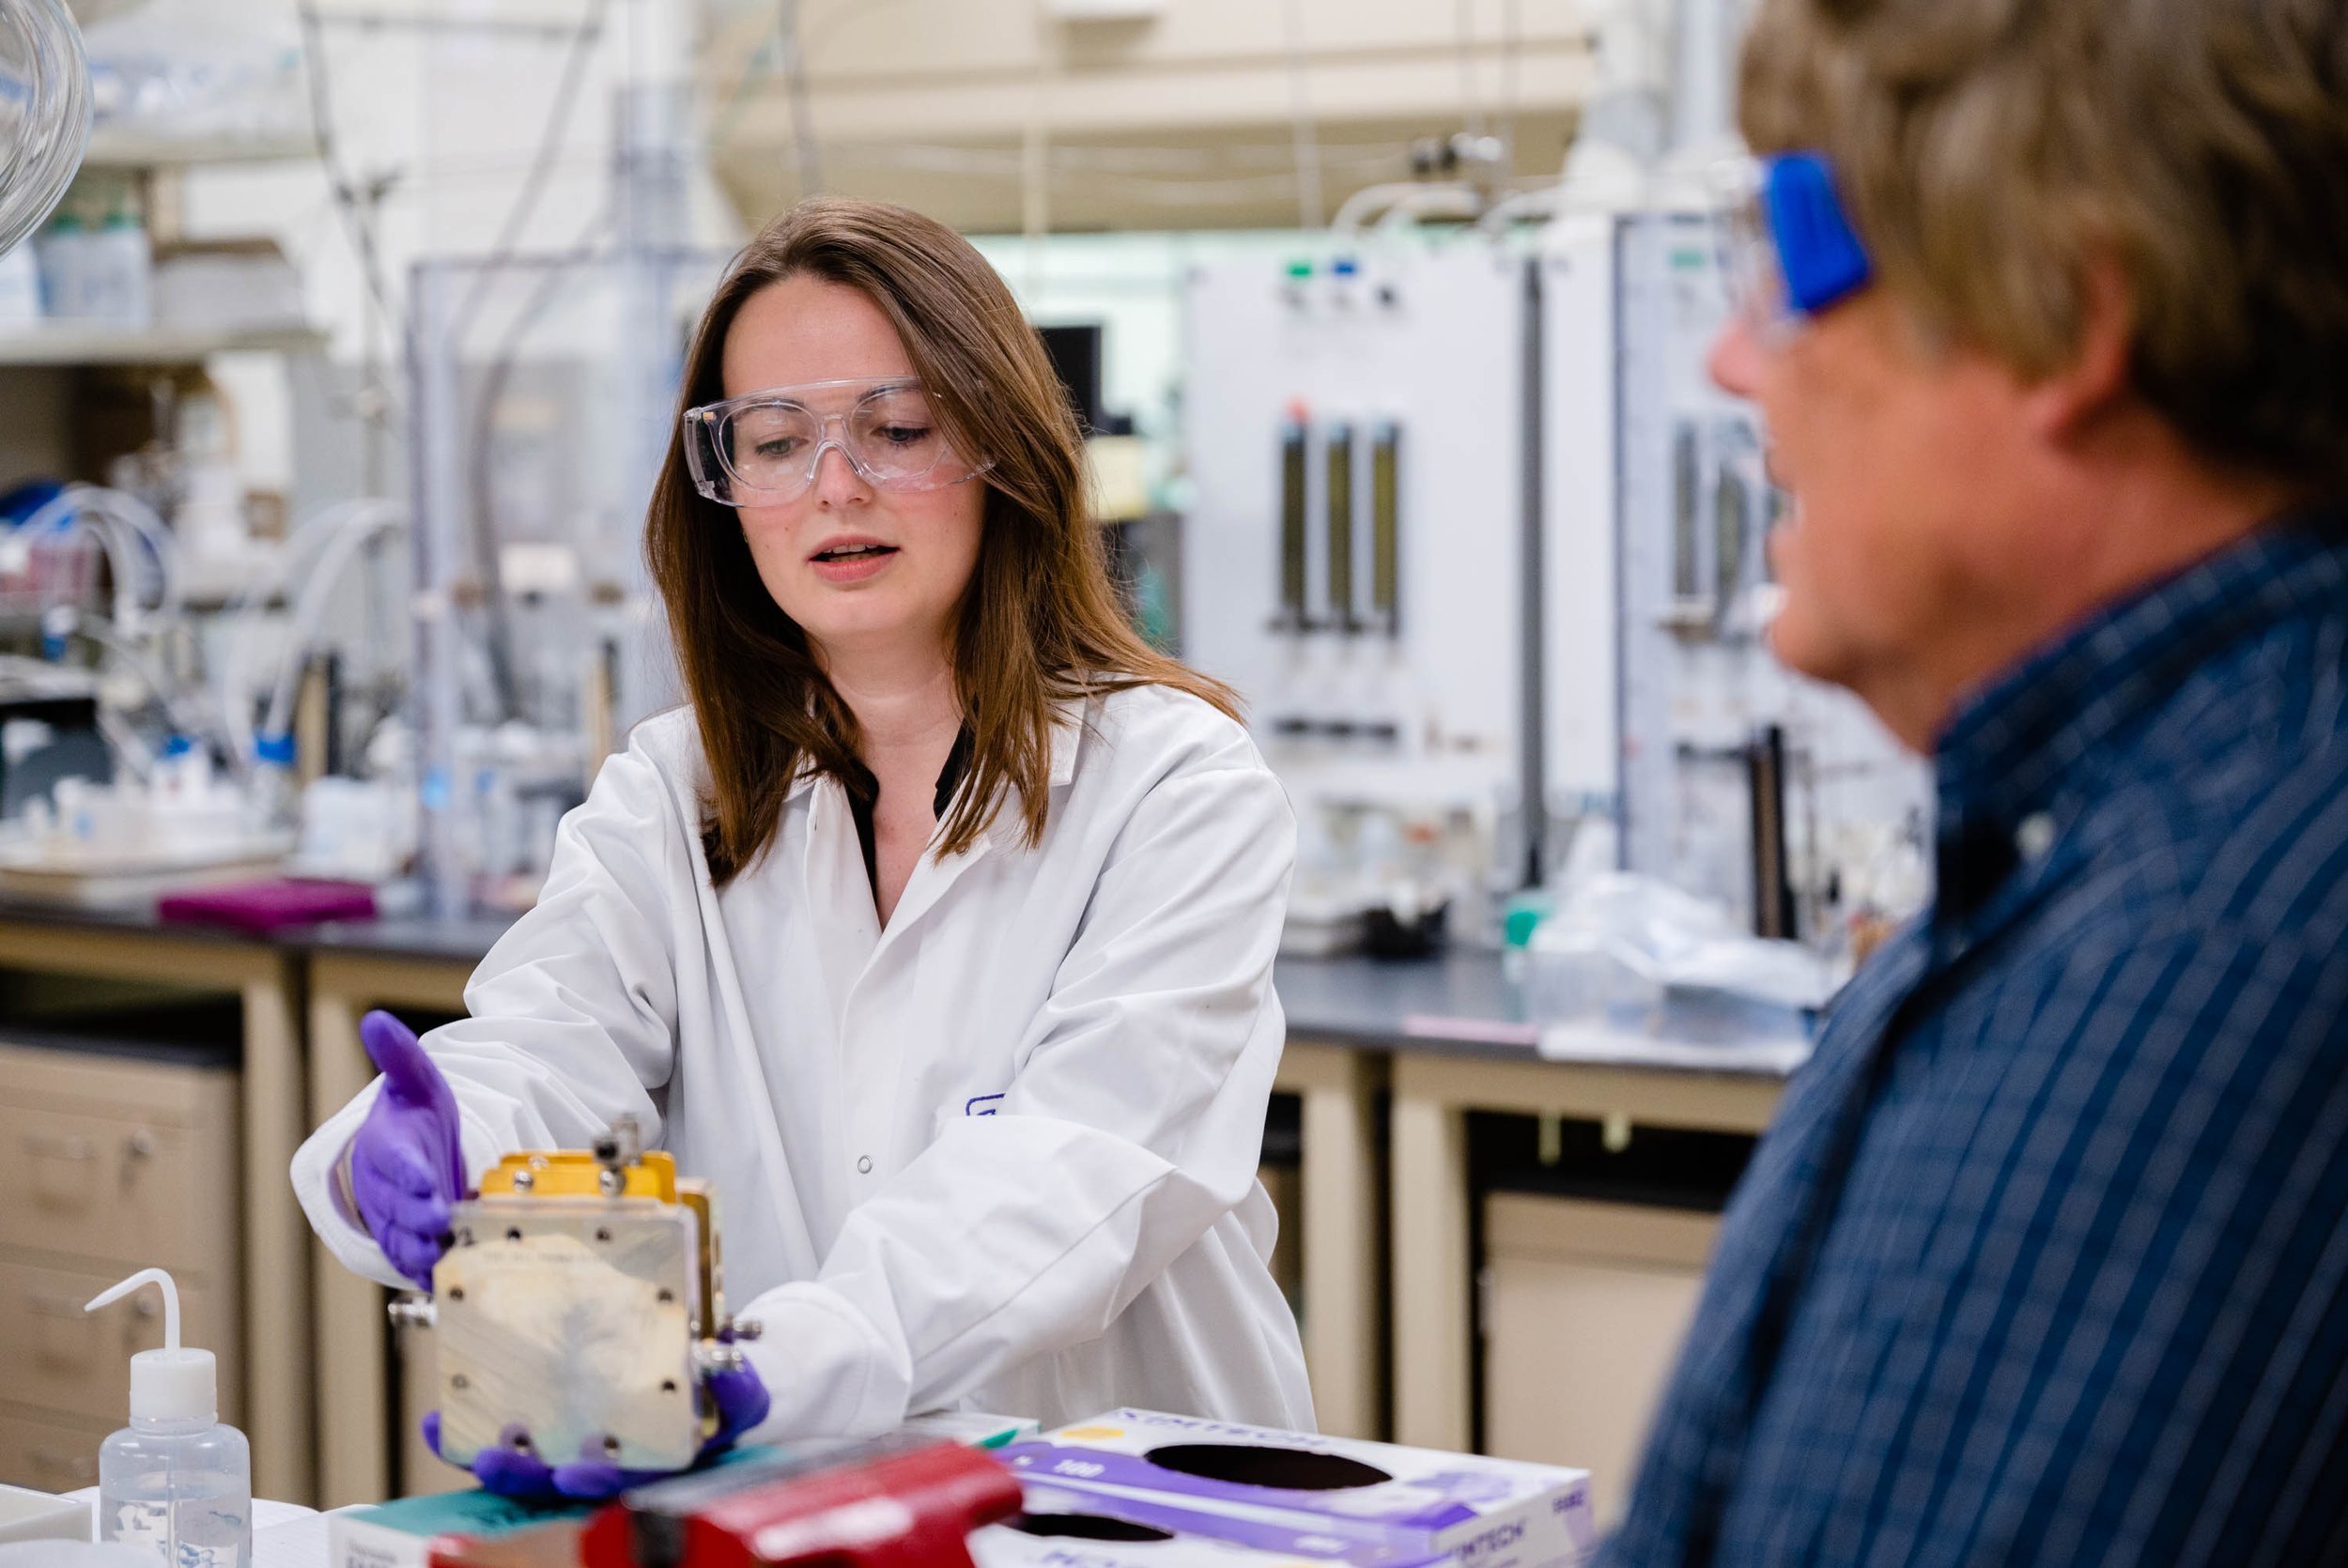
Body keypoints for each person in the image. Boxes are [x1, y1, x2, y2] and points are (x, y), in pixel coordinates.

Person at [291, 198, 1313, 1493]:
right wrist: (435, 1147)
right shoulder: (673, 794)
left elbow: (1069, 1179)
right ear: (724, 492)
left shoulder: (1176, 784)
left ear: (1002, 445)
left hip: (1125, 1511)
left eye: (897, 428)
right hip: (796, 1505)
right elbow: (549, 1043)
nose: (837, 484)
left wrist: (766, 1365)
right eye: (775, 440)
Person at [1604, 0, 2348, 1562]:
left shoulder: (2226, 954)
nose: (1741, 363)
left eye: (1799, 276)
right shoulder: (2080, 853)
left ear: (2067, 323)